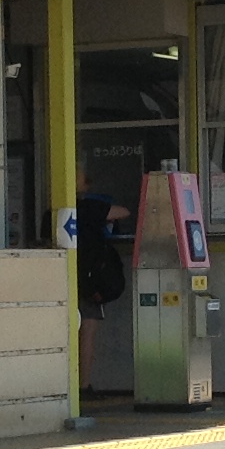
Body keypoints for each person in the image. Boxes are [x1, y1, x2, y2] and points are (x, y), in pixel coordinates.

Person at [73, 170, 131, 398]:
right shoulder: (89, 207)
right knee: (87, 332)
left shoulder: (52, 211)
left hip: (63, 277)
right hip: (89, 282)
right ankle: (83, 385)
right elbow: (124, 212)